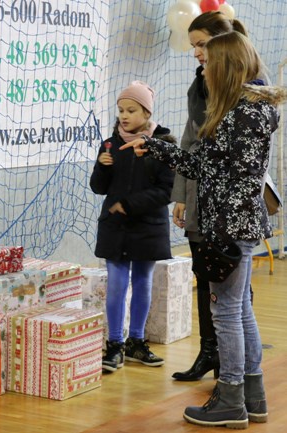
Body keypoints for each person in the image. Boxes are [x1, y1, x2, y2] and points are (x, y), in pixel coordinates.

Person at [121, 32, 287, 429]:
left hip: (229, 225)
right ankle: (252, 395)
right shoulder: (244, 108)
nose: (203, 69)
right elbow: (209, 167)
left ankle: (230, 397)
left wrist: (219, 230)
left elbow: (225, 174)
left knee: (226, 311)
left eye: (208, 62)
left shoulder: (242, 113)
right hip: (237, 222)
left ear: (226, 65)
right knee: (239, 309)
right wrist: (157, 146)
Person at [171, 11, 251, 382]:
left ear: (222, 46)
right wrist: (182, 195)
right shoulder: (201, 85)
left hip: (227, 211)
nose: (196, 56)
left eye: (201, 45)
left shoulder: (243, 96)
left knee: (231, 299)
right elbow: (191, 140)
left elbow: (216, 158)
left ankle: (236, 377)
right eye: (193, 47)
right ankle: (211, 354)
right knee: (207, 279)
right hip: (202, 199)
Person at [90, 80, 175, 373]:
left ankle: (137, 342)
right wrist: (102, 166)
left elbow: (167, 191)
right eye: (121, 110)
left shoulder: (163, 144)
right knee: (116, 285)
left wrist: (130, 204)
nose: (124, 116)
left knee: (142, 282)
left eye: (131, 110)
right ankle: (115, 344)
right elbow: (98, 188)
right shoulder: (111, 143)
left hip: (147, 226)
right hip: (115, 227)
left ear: (146, 113)